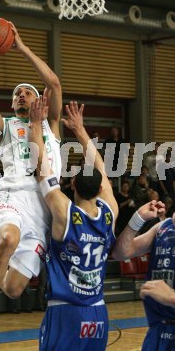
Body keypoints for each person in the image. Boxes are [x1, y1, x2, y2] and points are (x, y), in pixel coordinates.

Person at [0, 22, 62, 344]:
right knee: (7, 240)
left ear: (38, 101)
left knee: (15, 289)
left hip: (45, 207)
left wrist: (21, 47)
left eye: (27, 91)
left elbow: (55, 83)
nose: (20, 94)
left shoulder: (51, 126)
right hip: (13, 197)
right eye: (17, 93)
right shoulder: (5, 125)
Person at [29, 99, 118, 350]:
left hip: (65, 311)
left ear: (73, 186)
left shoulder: (64, 212)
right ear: (101, 188)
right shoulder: (110, 211)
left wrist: (36, 126)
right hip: (98, 313)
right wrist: (80, 130)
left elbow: (42, 168)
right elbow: (101, 168)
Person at [111, 201, 175, 351]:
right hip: (157, 330)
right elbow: (120, 253)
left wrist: (172, 298)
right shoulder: (163, 227)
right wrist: (138, 219)